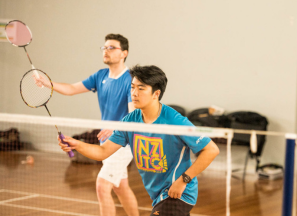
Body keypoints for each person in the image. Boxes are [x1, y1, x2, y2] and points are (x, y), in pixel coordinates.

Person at [59, 65, 220, 216]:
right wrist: (77, 144)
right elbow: (103, 152)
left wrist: (184, 180)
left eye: (141, 88)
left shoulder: (174, 120)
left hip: (178, 193)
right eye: (132, 87)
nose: (134, 93)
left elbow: (211, 150)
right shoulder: (130, 121)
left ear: (156, 94)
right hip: (158, 195)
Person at [35, 34, 139, 216]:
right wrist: (47, 83)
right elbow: (71, 89)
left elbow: (133, 115)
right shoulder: (100, 76)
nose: (106, 51)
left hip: (123, 140)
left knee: (102, 186)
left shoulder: (131, 80)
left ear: (124, 53)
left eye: (111, 47)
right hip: (106, 140)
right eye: (104, 47)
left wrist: (116, 127)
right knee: (120, 187)